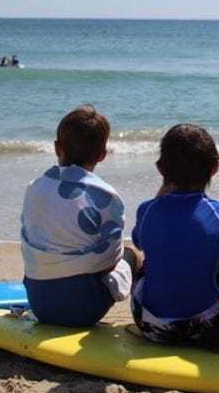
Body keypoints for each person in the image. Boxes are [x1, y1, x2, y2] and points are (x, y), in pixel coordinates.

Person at [130, 123, 219, 350]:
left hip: (151, 326)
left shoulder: (147, 210)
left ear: (161, 168)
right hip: (207, 330)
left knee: (140, 257)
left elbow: (139, 243)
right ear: (215, 167)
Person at [21, 105, 137, 326]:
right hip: (84, 310)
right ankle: (145, 318)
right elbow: (111, 260)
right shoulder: (105, 195)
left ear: (57, 148)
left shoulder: (34, 188)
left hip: (39, 302)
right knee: (132, 253)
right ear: (102, 154)